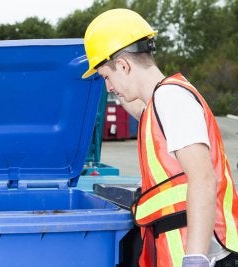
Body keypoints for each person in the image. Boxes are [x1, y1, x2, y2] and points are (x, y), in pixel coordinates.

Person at [82, 8, 238, 267]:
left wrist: (195, 259)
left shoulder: (171, 99)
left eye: (106, 77)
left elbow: (202, 178)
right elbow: (136, 105)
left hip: (205, 257)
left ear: (123, 64)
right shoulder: (157, 103)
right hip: (178, 252)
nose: (109, 88)